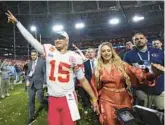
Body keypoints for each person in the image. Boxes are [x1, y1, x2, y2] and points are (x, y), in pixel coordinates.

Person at [6, 10, 98, 125]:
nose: (57, 39)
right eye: (56, 37)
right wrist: (17, 22)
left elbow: (83, 80)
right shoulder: (49, 50)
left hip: (68, 98)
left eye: (61, 38)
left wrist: (93, 97)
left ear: (67, 41)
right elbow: (31, 40)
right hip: (52, 99)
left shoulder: (74, 57)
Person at [90, 42, 163, 125]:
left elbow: (137, 72)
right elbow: (94, 86)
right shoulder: (98, 69)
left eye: (108, 50)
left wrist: (153, 74)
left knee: (127, 122)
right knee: (109, 121)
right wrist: (94, 100)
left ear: (112, 52)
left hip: (123, 98)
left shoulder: (122, 65)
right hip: (106, 99)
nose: (106, 53)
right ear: (100, 53)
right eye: (103, 51)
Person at [124, 33, 164, 110]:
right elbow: (126, 72)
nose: (139, 40)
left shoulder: (158, 51)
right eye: (136, 39)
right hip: (141, 89)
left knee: (161, 111)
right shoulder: (128, 55)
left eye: (141, 38)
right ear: (133, 42)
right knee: (144, 114)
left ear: (146, 40)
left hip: (159, 87)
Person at [26, 50, 46, 124]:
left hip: (40, 84)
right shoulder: (30, 63)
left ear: (37, 55)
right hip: (31, 84)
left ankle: (46, 103)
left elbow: (45, 73)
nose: (33, 56)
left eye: (34, 55)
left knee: (40, 99)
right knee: (31, 100)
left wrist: (44, 83)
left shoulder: (42, 62)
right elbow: (28, 72)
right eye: (32, 55)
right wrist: (27, 80)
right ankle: (31, 117)